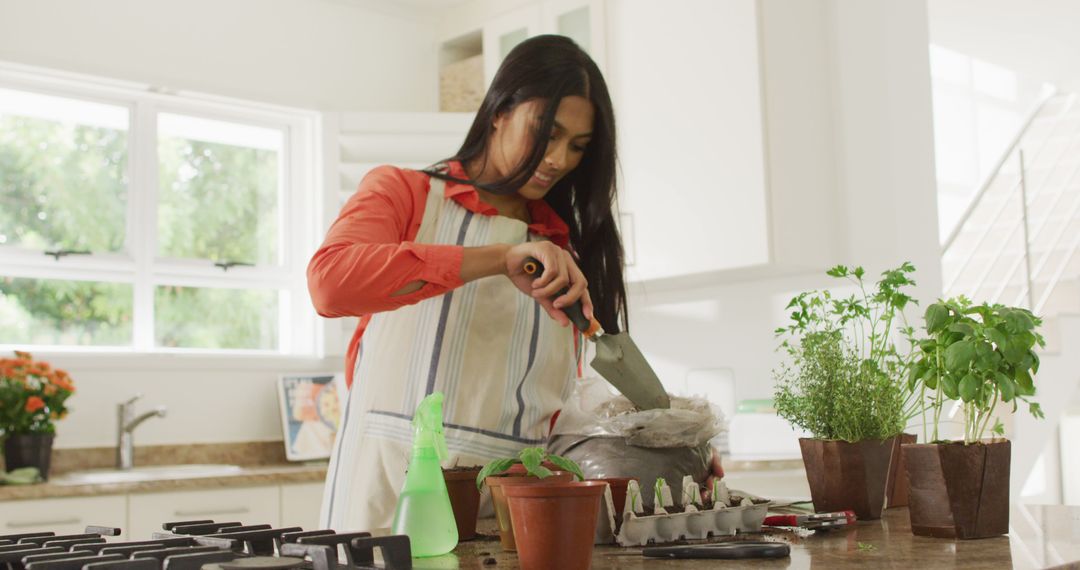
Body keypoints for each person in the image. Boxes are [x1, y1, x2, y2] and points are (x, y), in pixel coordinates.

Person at [307, 34, 719, 532]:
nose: (559, 159)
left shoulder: (563, 250)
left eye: (577, 147)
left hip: (510, 522)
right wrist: (502, 258)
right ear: (500, 110)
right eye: (547, 133)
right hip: (387, 501)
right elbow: (331, 285)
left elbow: (552, 414)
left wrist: (660, 454)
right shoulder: (405, 194)